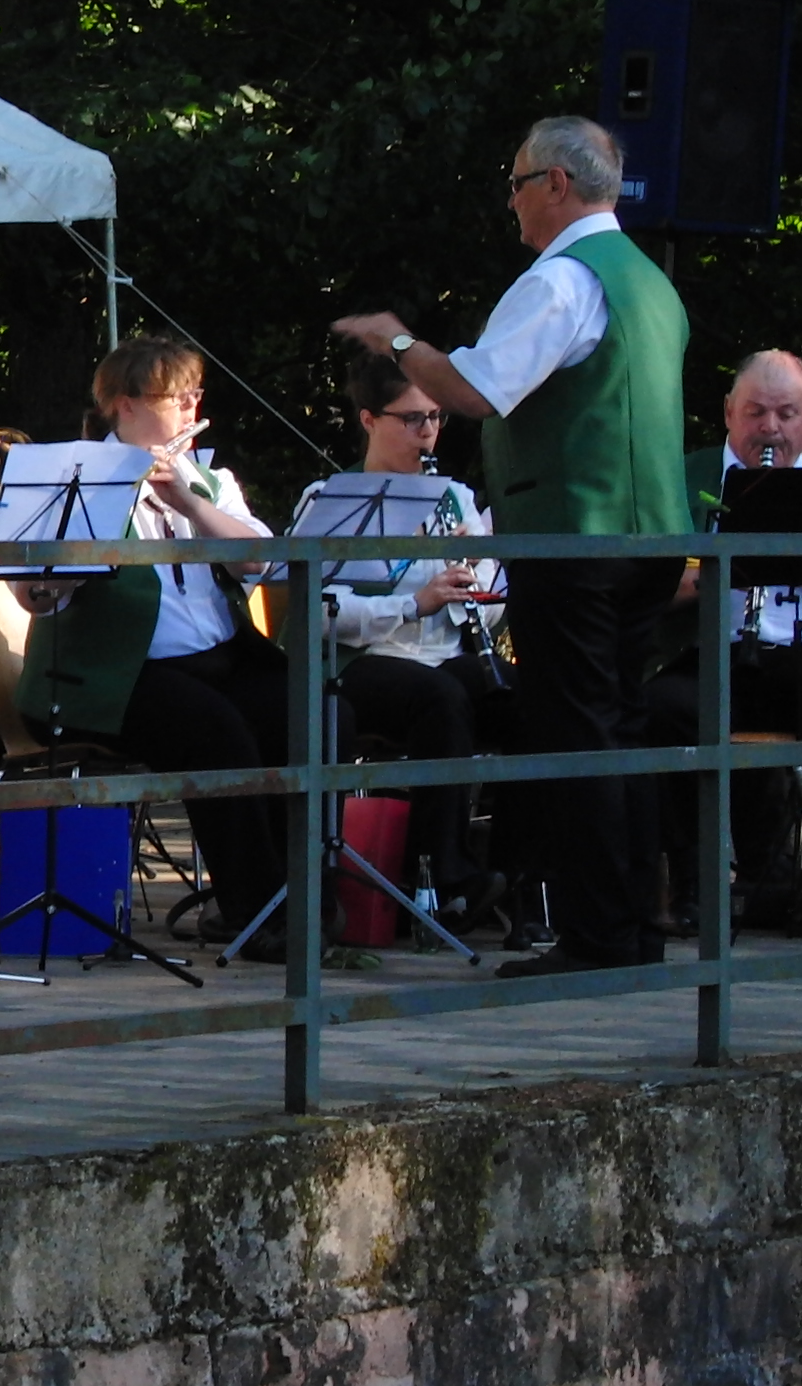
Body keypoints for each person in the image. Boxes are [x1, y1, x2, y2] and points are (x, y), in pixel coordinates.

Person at [332, 115, 691, 977]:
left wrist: (397, 341)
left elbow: (476, 392)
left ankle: (596, 938)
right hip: (651, 538)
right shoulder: (651, 282)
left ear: (558, 187)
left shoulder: (562, 280)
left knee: (576, 734)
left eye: (520, 182)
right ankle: (635, 928)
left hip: (575, 541)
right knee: (624, 731)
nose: (513, 200)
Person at [13, 336, 290, 959]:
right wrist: (70, 567)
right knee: (217, 732)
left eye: (196, 395)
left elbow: (264, 559)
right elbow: (34, 595)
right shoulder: (76, 476)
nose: (192, 408)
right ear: (125, 405)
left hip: (215, 660)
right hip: (111, 677)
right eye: (176, 397)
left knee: (307, 711)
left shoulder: (207, 479)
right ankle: (257, 914)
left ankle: (303, 896)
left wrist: (186, 501)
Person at [644, 351, 802, 935]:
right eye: (756, 412)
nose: (770, 428)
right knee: (661, 713)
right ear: (729, 413)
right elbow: (643, 587)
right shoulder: (680, 477)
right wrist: (724, 564)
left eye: (786, 414)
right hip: (711, 655)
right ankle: (689, 881)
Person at [290, 351, 511, 921]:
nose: (429, 433)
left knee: (524, 696)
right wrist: (414, 604)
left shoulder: (457, 498)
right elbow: (315, 612)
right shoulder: (327, 501)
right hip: (361, 662)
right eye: (412, 419)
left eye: (436, 417)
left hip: (445, 657)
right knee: (441, 697)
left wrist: (476, 583)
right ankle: (442, 876)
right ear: (368, 419)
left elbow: (489, 612)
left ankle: (525, 875)